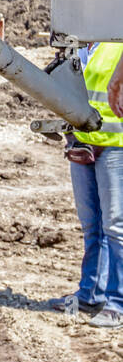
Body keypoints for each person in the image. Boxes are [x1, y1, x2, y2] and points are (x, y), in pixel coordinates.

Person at [56, 42, 123, 328]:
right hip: (82, 141)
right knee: (91, 225)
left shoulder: (116, 40)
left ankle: (117, 302)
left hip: (115, 143)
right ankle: (90, 294)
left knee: (116, 226)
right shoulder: (76, 42)